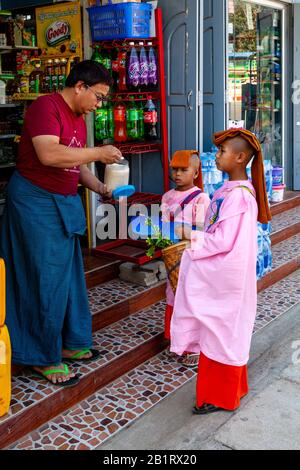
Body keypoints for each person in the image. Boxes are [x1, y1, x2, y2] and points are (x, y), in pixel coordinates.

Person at [0, 60, 123, 387]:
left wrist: (99, 187)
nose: (98, 105)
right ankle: (42, 357)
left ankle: (71, 343)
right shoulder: (45, 106)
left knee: (68, 278)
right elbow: (50, 155)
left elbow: (75, 161)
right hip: (35, 203)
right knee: (44, 279)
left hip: (63, 203)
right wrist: (98, 153)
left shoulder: (79, 119)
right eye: (97, 97)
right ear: (79, 86)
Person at [170, 128, 272, 414]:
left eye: (222, 152)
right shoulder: (231, 191)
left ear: (240, 158)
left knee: (221, 336)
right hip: (228, 275)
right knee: (226, 335)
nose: (216, 156)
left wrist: (191, 237)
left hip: (227, 278)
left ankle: (220, 397)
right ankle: (231, 391)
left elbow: (223, 240)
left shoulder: (238, 196)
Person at [161, 150, 210, 366]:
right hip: (174, 259)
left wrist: (182, 233)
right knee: (173, 296)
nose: (178, 174)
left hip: (192, 257)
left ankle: (194, 347)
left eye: (184, 169)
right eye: (175, 169)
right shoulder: (167, 197)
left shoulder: (201, 198)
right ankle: (176, 341)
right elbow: (162, 226)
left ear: (196, 172)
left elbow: (202, 231)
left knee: (191, 300)